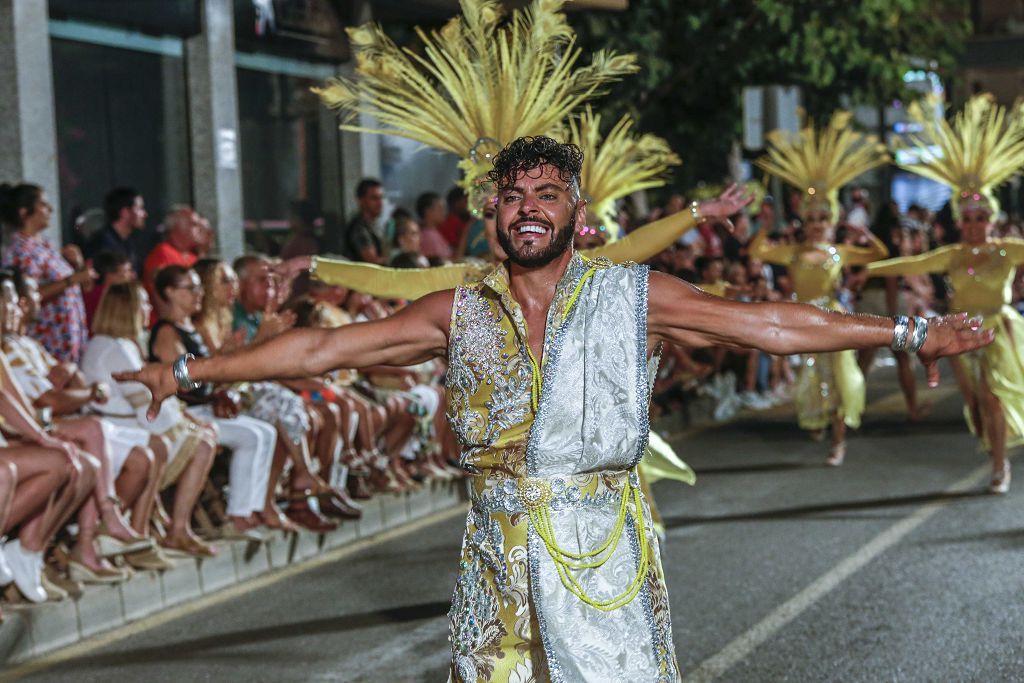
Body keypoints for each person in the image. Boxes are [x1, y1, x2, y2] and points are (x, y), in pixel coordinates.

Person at [122, 136, 989, 681]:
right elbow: (321, 350)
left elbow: (766, 322)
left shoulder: (629, 294)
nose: (527, 208)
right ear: (491, 214)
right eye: (513, 196)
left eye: (546, 195)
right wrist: (192, 368)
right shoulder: (456, 311)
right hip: (496, 560)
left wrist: (909, 331)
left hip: (602, 559)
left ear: (577, 215)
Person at [868, 94, 1024, 494]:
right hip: (959, 329)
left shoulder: (1007, 249)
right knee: (972, 402)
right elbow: (911, 266)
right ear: (958, 220)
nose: (974, 224)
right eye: (968, 218)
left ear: (992, 217)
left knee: (992, 398)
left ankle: (999, 465)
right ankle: (992, 445)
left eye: (981, 217)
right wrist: (866, 266)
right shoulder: (952, 254)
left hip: (998, 330)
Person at [750, 111, 891, 465]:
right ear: (804, 221)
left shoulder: (838, 251)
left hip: (832, 316)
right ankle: (819, 419)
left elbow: (878, 254)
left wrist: (863, 233)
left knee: (841, 377)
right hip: (801, 317)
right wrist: (765, 226)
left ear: (832, 220)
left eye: (823, 218)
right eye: (811, 219)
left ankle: (838, 442)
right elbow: (756, 251)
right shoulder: (794, 252)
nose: (817, 225)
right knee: (811, 376)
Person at [81, 283, 219, 557]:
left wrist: (183, 419)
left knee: (199, 437)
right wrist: (181, 425)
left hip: (125, 422)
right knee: (190, 444)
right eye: (143, 304)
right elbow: (146, 399)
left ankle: (163, 528)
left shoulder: (120, 343)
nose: (148, 309)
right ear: (128, 309)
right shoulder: (113, 347)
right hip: (115, 426)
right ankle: (148, 529)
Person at [150, 265, 276, 539]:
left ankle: (250, 510)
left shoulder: (189, 328)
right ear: (170, 293)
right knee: (250, 436)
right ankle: (238, 515)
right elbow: (185, 383)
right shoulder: (168, 333)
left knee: (266, 431)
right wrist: (220, 368)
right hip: (188, 413)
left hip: (204, 405)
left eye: (200, 287)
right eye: (191, 288)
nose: (200, 293)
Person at [0, 183, 95, 362]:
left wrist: (78, 265)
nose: (50, 210)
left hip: (68, 340)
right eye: (43, 205)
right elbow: (29, 295)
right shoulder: (21, 251)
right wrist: (71, 279)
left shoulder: (45, 245)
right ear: (24, 212)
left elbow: (84, 286)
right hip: (49, 341)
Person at [85, 187, 147, 274]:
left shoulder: (130, 241)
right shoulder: (101, 243)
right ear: (125, 212)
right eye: (140, 208)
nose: (145, 214)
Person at [338, 179, 385, 263]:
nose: (380, 203)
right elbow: (372, 261)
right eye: (374, 198)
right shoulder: (358, 228)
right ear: (361, 200)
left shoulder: (371, 226)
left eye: (381, 197)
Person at [416, 192, 453, 261]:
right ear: (428, 211)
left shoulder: (434, 232)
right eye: (440, 209)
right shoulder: (427, 236)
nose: (444, 212)